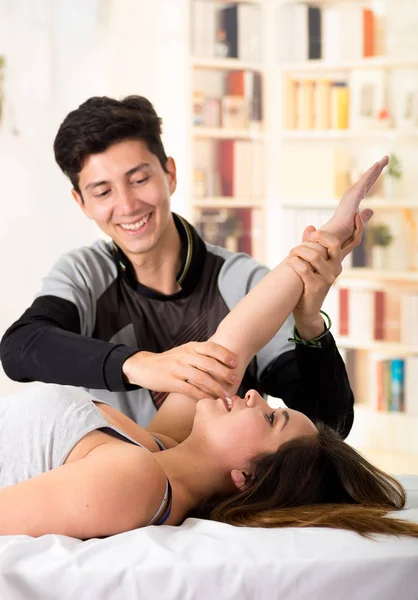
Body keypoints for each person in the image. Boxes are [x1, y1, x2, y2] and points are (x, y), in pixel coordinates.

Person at [1, 161, 418, 540]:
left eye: (272, 418)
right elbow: (234, 340)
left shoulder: (139, 479)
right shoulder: (163, 445)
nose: (256, 395)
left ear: (246, 478)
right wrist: (328, 239)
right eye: (103, 189)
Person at [1, 95, 352, 433]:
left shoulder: (242, 282)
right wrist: (142, 365)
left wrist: (309, 325)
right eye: (103, 192)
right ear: (82, 203)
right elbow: (21, 348)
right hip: (121, 482)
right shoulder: (85, 273)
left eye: (139, 180)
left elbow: (327, 423)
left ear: (169, 174)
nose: (127, 205)